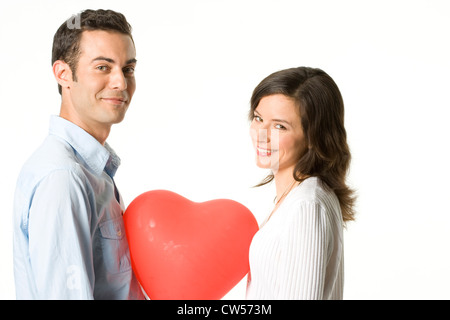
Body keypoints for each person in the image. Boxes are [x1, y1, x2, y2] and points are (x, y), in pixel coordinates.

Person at [13, 9, 145, 299]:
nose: (121, 83)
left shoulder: (91, 170)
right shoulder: (64, 177)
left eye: (128, 69)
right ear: (63, 74)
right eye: (102, 67)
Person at [246, 67, 356, 300]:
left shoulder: (306, 206)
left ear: (313, 137)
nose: (261, 135)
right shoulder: (295, 198)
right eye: (258, 118)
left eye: (280, 126)